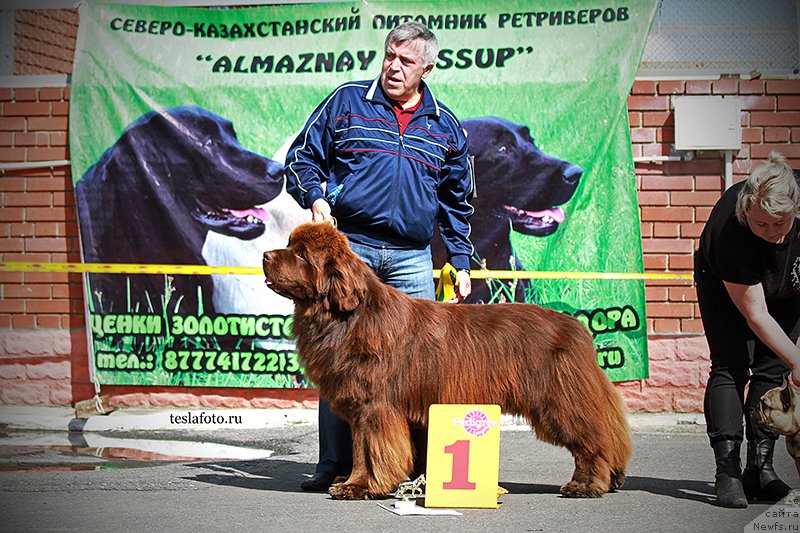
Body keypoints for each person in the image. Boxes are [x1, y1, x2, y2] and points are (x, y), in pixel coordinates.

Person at [284, 21, 475, 491]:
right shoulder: (348, 101)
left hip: (411, 257)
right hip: (353, 252)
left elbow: (457, 201)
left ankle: (415, 468)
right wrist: (317, 197)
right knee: (340, 363)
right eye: (389, 55)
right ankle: (335, 465)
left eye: (406, 60)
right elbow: (301, 158)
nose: (393, 66)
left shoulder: (445, 125)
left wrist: (462, 260)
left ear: (427, 68)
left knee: (419, 369)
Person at [695, 151, 800, 508]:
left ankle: (761, 468)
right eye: (761, 224)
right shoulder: (732, 229)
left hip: (789, 284)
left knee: (775, 367)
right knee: (730, 364)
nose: (771, 233)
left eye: (780, 224)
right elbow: (755, 314)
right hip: (724, 280)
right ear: (747, 213)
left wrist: (794, 360)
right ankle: (728, 471)